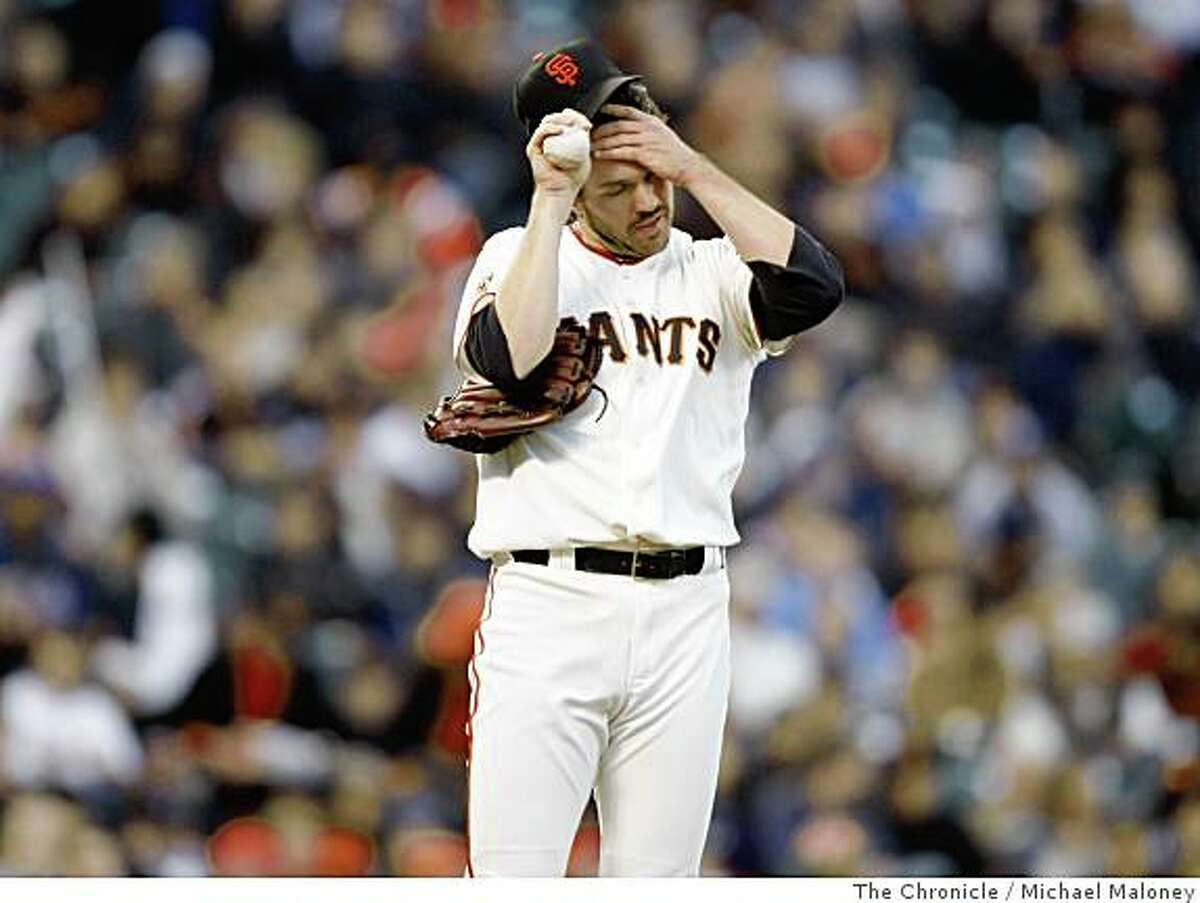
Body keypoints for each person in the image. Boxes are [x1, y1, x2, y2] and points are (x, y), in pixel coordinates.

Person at [449, 38, 844, 877]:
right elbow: (512, 358)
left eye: (652, 178)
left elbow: (814, 285)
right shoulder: (513, 260)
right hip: (550, 601)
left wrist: (695, 169)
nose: (646, 200)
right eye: (618, 187)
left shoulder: (711, 272)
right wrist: (551, 204)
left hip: (687, 612)